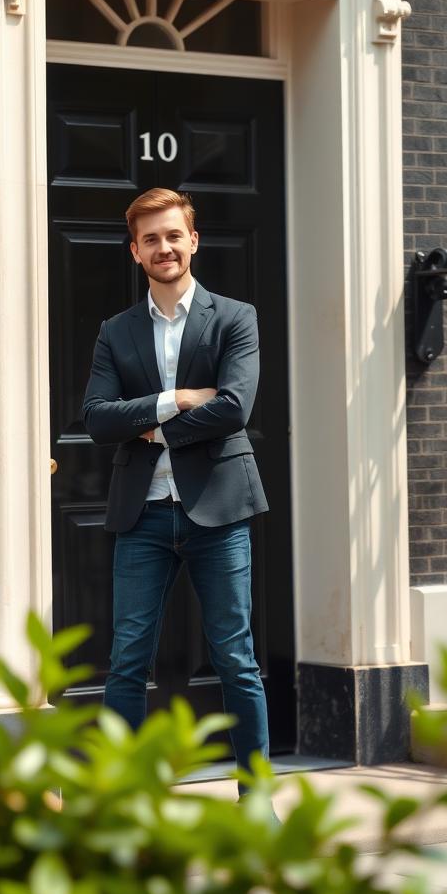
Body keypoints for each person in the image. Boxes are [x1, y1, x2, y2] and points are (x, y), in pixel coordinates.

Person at [82, 186, 270, 787]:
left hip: (218, 507)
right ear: (134, 251)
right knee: (127, 659)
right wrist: (177, 399)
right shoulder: (116, 331)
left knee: (235, 657)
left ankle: (257, 794)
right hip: (143, 514)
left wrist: (153, 428)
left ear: (193, 239)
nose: (163, 247)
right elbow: (97, 418)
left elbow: (236, 408)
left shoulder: (236, 318)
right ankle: (122, 798)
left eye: (172, 235)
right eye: (150, 239)